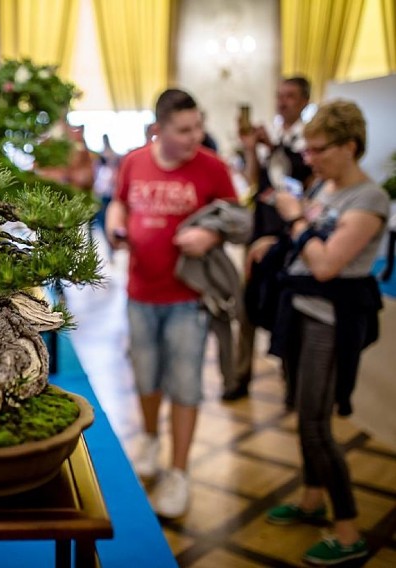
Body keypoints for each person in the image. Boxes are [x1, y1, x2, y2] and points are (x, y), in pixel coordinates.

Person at [258, 100, 389, 566]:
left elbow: (329, 264)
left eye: (318, 150)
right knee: (302, 412)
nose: (308, 158)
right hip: (301, 312)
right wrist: (276, 241)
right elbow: (308, 241)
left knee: (317, 424)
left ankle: (349, 530)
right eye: (307, 150)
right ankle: (313, 499)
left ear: (349, 146)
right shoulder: (327, 186)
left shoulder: (370, 199)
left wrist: (293, 218)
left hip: (330, 322)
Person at [105, 89, 238, 518]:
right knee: (146, 375)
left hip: (188, 298)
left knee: (184, 384)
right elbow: (119, 204)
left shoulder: (212, 168)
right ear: (159, 128)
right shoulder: (134, 162)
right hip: (139, 292)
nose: (195, 136)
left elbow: (237, 219)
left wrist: (210, 236)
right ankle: (148, 437)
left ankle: (179, 472)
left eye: (198, 125)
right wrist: (116, 227)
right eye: (184, 129)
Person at [224, 76, 315, 401]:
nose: (282, 102)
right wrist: (252, 150)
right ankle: (240, 376)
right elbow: (254, 182)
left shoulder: (310, 139)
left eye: (290, 96)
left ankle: (292, 379)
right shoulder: (272, 135)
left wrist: (272, 147)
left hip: (291, 237)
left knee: (287, 305)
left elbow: (301, 182)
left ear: (304, 100)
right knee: (247, 304)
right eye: (279, 95)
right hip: (261, 231)